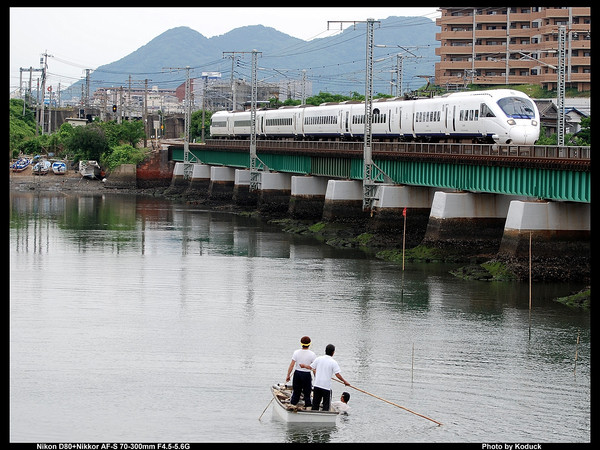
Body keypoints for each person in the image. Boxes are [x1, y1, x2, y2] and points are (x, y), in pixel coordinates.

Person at [301, 343, 350, 411]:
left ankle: (313, 415)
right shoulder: (333, 362)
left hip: (317, 385)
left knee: (315, 404)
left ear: (325, 351)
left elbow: (310, 367)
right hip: (326, 387)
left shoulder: (319, 359)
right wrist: (345, 381)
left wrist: (304, 366)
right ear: (333, 352)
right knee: (326, 406)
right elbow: (337, 375)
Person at [285, 336, 316, 408]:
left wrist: (288, 375)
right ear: (309, 344)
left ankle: (293, 405)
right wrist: (316, 378)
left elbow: (292, 365)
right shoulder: (312, 354)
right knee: (307, 392)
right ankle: (308, 406)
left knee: (296, 392)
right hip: (306, 374)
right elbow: (314, 368)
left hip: (297, 374)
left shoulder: (296, 352)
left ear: (301, 343)